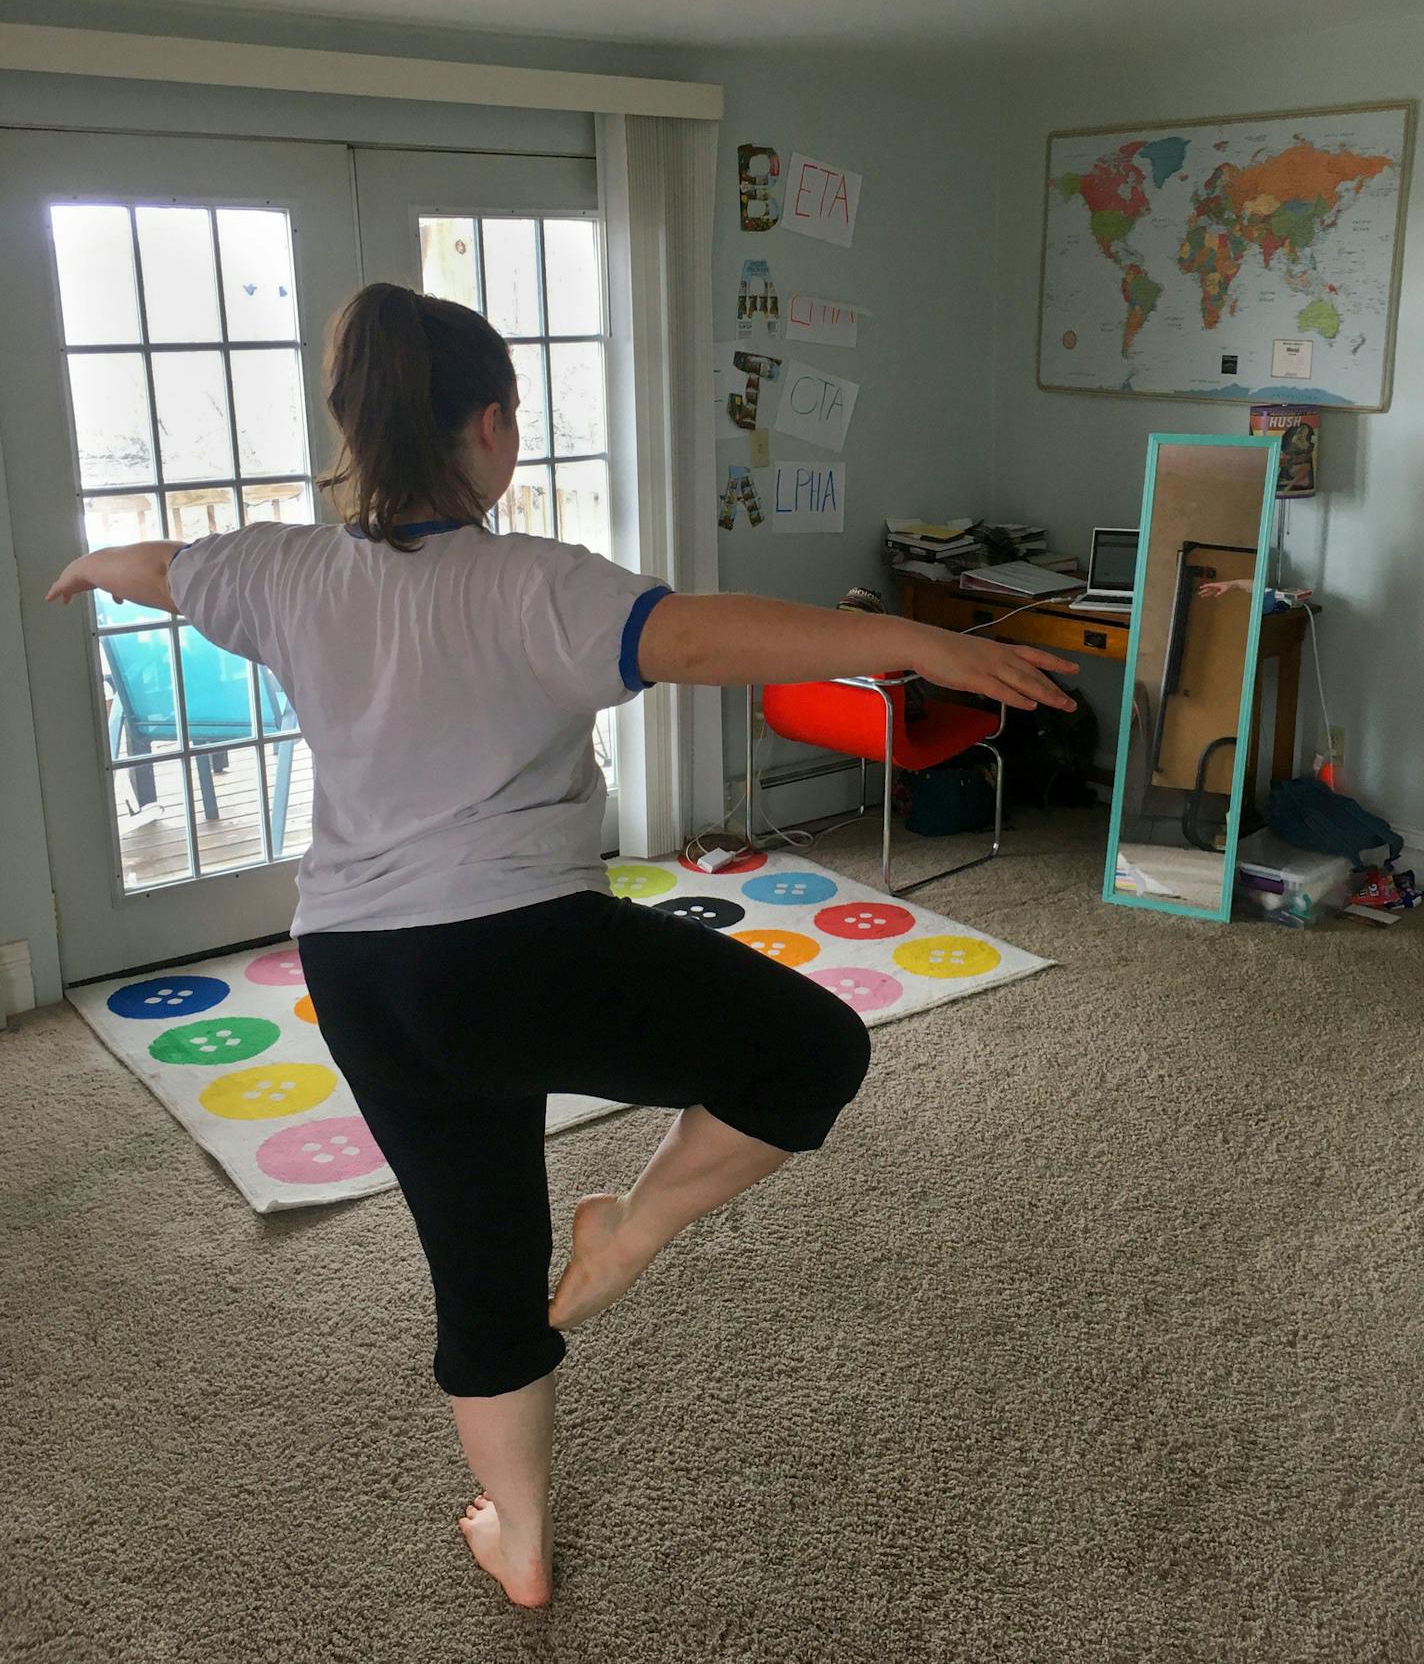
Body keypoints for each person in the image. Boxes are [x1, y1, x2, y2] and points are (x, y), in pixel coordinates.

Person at [47, 284, 1079, 1609]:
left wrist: (95, 566)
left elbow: (161, 568)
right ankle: (632, 1227)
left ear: (351, 430)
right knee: (807, 1052)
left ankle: (519, 1536)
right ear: (490, 429)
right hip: (517, 951)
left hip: (357, 975)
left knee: (479, 1265)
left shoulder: (277, 568)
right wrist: (912, 636)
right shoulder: (533, 581)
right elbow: (712, 633)